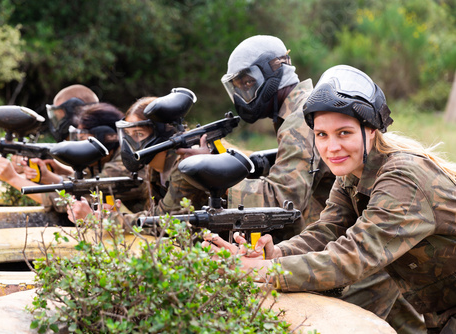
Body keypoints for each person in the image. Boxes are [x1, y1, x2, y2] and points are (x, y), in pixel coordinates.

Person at [205, 65, 456, 333]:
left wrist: (258, 270)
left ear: (370, 130)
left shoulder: (403, 179)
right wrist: (276, 253)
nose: (331, 147)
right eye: (322, 135)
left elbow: (351, 257)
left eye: (344, 133)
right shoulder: (352, 173)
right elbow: (326, 232)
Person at [177, 35, 335, 242]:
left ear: (274, 72)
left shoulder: (300, 119)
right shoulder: (299, 110)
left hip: (337, 242)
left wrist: (217, 178)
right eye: (238, 86)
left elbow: (283, 201)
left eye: (249, 82)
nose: (244, 93)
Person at [67, 95, 210, 223]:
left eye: (139, 134)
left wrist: (103, 220)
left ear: (161, 135)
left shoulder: (184, 164)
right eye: (128, 135)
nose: (132, 143)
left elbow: (164, 223)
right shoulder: (152, 167)